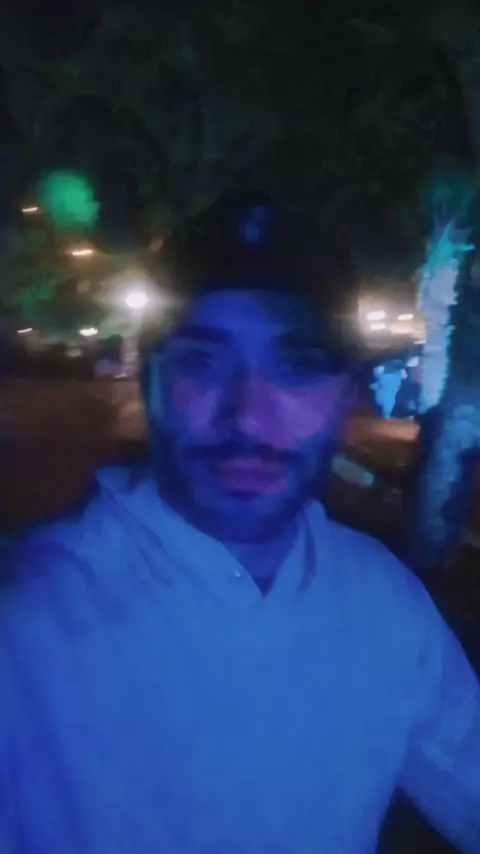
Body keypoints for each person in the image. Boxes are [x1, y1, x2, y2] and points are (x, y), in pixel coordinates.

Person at [1, 198, 480, 854]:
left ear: (346, 393)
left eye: (297, 364)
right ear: (150, 380)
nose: (249, 416)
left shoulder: (384, 603)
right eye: (204, 361)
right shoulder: (26, 626)